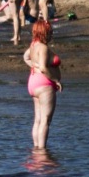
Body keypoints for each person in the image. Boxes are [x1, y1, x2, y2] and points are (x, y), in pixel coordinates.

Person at [23, 20, 61, 152]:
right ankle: (42, 151)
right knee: (45, 120)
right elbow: (44, 68)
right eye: (49, 32)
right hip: (44, 84)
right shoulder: (43, 48)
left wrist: (35, 66)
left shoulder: (33, 45)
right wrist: (55, 80)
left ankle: (36, 149)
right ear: (44, 32)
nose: (51, 34)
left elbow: (26, 57)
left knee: (38, 119)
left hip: (33, 81)